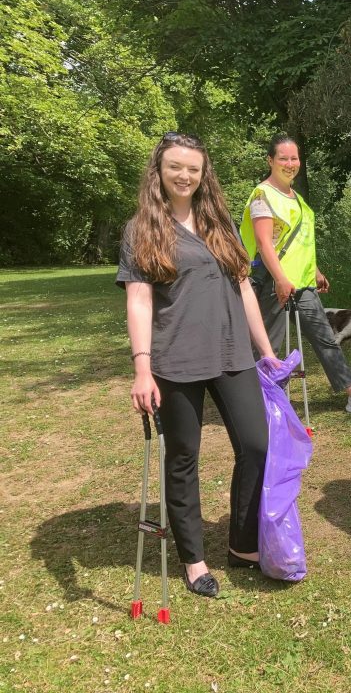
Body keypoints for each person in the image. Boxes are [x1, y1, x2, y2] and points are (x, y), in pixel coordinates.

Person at [118, 132, 279, 598]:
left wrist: (266, 350)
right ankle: (194, 559)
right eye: (176, 167)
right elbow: (140, 299)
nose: (185, 175)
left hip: (233, 353)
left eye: (193, 168)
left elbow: (245, 288)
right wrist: (142, 368)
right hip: (176, 360)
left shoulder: (219, 220)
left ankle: (242, 543)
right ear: (159, 172)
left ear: (204, 172)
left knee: (257, 444)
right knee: (183, 458)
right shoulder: (142, 230)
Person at [240, 135, 351, 414]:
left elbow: (294, 242)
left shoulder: (295, 198)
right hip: (273, 283)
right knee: (267, 347)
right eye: (283, 158)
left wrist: (316, 270)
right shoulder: (263, 195)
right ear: (270, 160)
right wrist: (281, 279)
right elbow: (263, 243)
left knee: (324, 337)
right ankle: (265, 405)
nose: (289, 163)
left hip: (302, 282)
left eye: (294, 158)